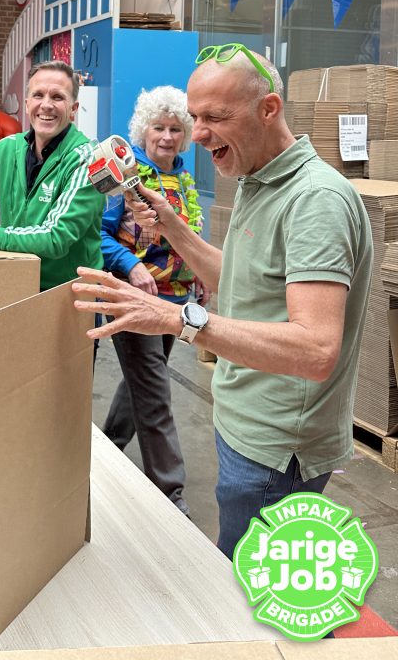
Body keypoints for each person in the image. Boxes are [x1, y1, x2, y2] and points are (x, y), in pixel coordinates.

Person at [74, 44, 372, 557]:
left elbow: (316, 349)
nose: (196, 134)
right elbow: (234, 277)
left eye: (214, 117)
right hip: (243, 424)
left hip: (276, 448)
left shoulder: (314, 201)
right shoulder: (259, 179)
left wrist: (179, 319)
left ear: (269, 109)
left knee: (248, 589)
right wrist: (171, 225)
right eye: (194, 118)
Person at [101, 86, 207, 516]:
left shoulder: (183, 178)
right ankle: (170, 491)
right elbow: (99, 235)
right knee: (155, 389)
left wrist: (199, 273)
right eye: (158, 128)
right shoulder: (125, 177)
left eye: (175, 129)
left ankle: (105, 450)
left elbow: (188, 236)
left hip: (174, 299)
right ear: (143, 131)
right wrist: (131, 265)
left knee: (142, 382)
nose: (166, 136)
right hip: (132, 297)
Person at [0, 61, 103, 292]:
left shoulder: (89, 160)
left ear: (73, 109)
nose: (46, 105)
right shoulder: (4, 150)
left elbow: (56, 238)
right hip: (17, 280)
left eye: (57, 97)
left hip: (71, 292)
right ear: (27, 104)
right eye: (38, 95)